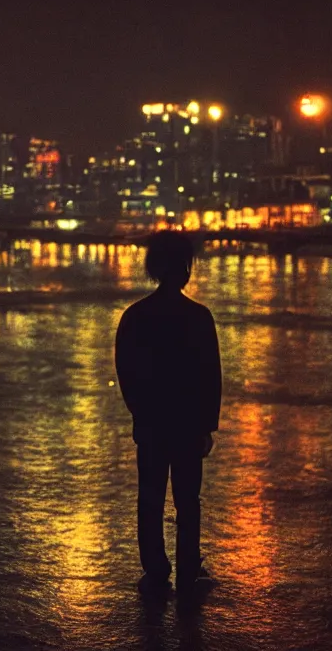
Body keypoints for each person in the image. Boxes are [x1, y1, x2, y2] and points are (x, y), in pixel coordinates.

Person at [114, 231, 221, 598]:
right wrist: (207, 426)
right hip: (188, 426)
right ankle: (189, 568)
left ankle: (156, 568)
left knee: (150, 497)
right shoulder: (199, 317)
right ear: (185, 269)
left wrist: (140, 414)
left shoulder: (135, 317)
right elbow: (211, 377)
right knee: (188, 500)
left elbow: (125, 373)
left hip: (152, 424)